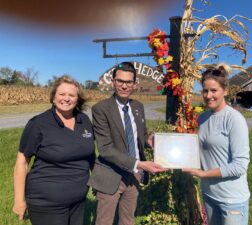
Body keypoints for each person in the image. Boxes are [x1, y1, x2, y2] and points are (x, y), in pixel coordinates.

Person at [88, 62, 166, 225]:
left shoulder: (138, 107)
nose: (124, 86)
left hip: (134, 175)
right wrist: (140, 164)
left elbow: (141, 135)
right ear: (113, 82)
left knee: (128, 220)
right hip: (111, 175)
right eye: (120, 81)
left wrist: (149, 140)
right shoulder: (100, 109)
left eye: (128, 82)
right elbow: (105, 149)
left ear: (135, 84)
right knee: (104, 221)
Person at [13, 75, 95, 225]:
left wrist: (97, 181)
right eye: (62, 94)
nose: (66, 98)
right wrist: (19, 200)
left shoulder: (84, 121)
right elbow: (22, 162)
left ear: (78, 99)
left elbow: (90, 156)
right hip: (46, 203)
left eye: (71, 95)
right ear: (53, 97)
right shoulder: (38, 124)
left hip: (78, 201)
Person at [183, 63, 250, 225]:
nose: (208, 95)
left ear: (225, 91)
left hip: (231, 199)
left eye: (214, 90)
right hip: (209, 194)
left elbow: (240, 165)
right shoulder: (203, 118)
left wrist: (204, 174)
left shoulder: (234, 119)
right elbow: (202, 151)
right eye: (205, 90)